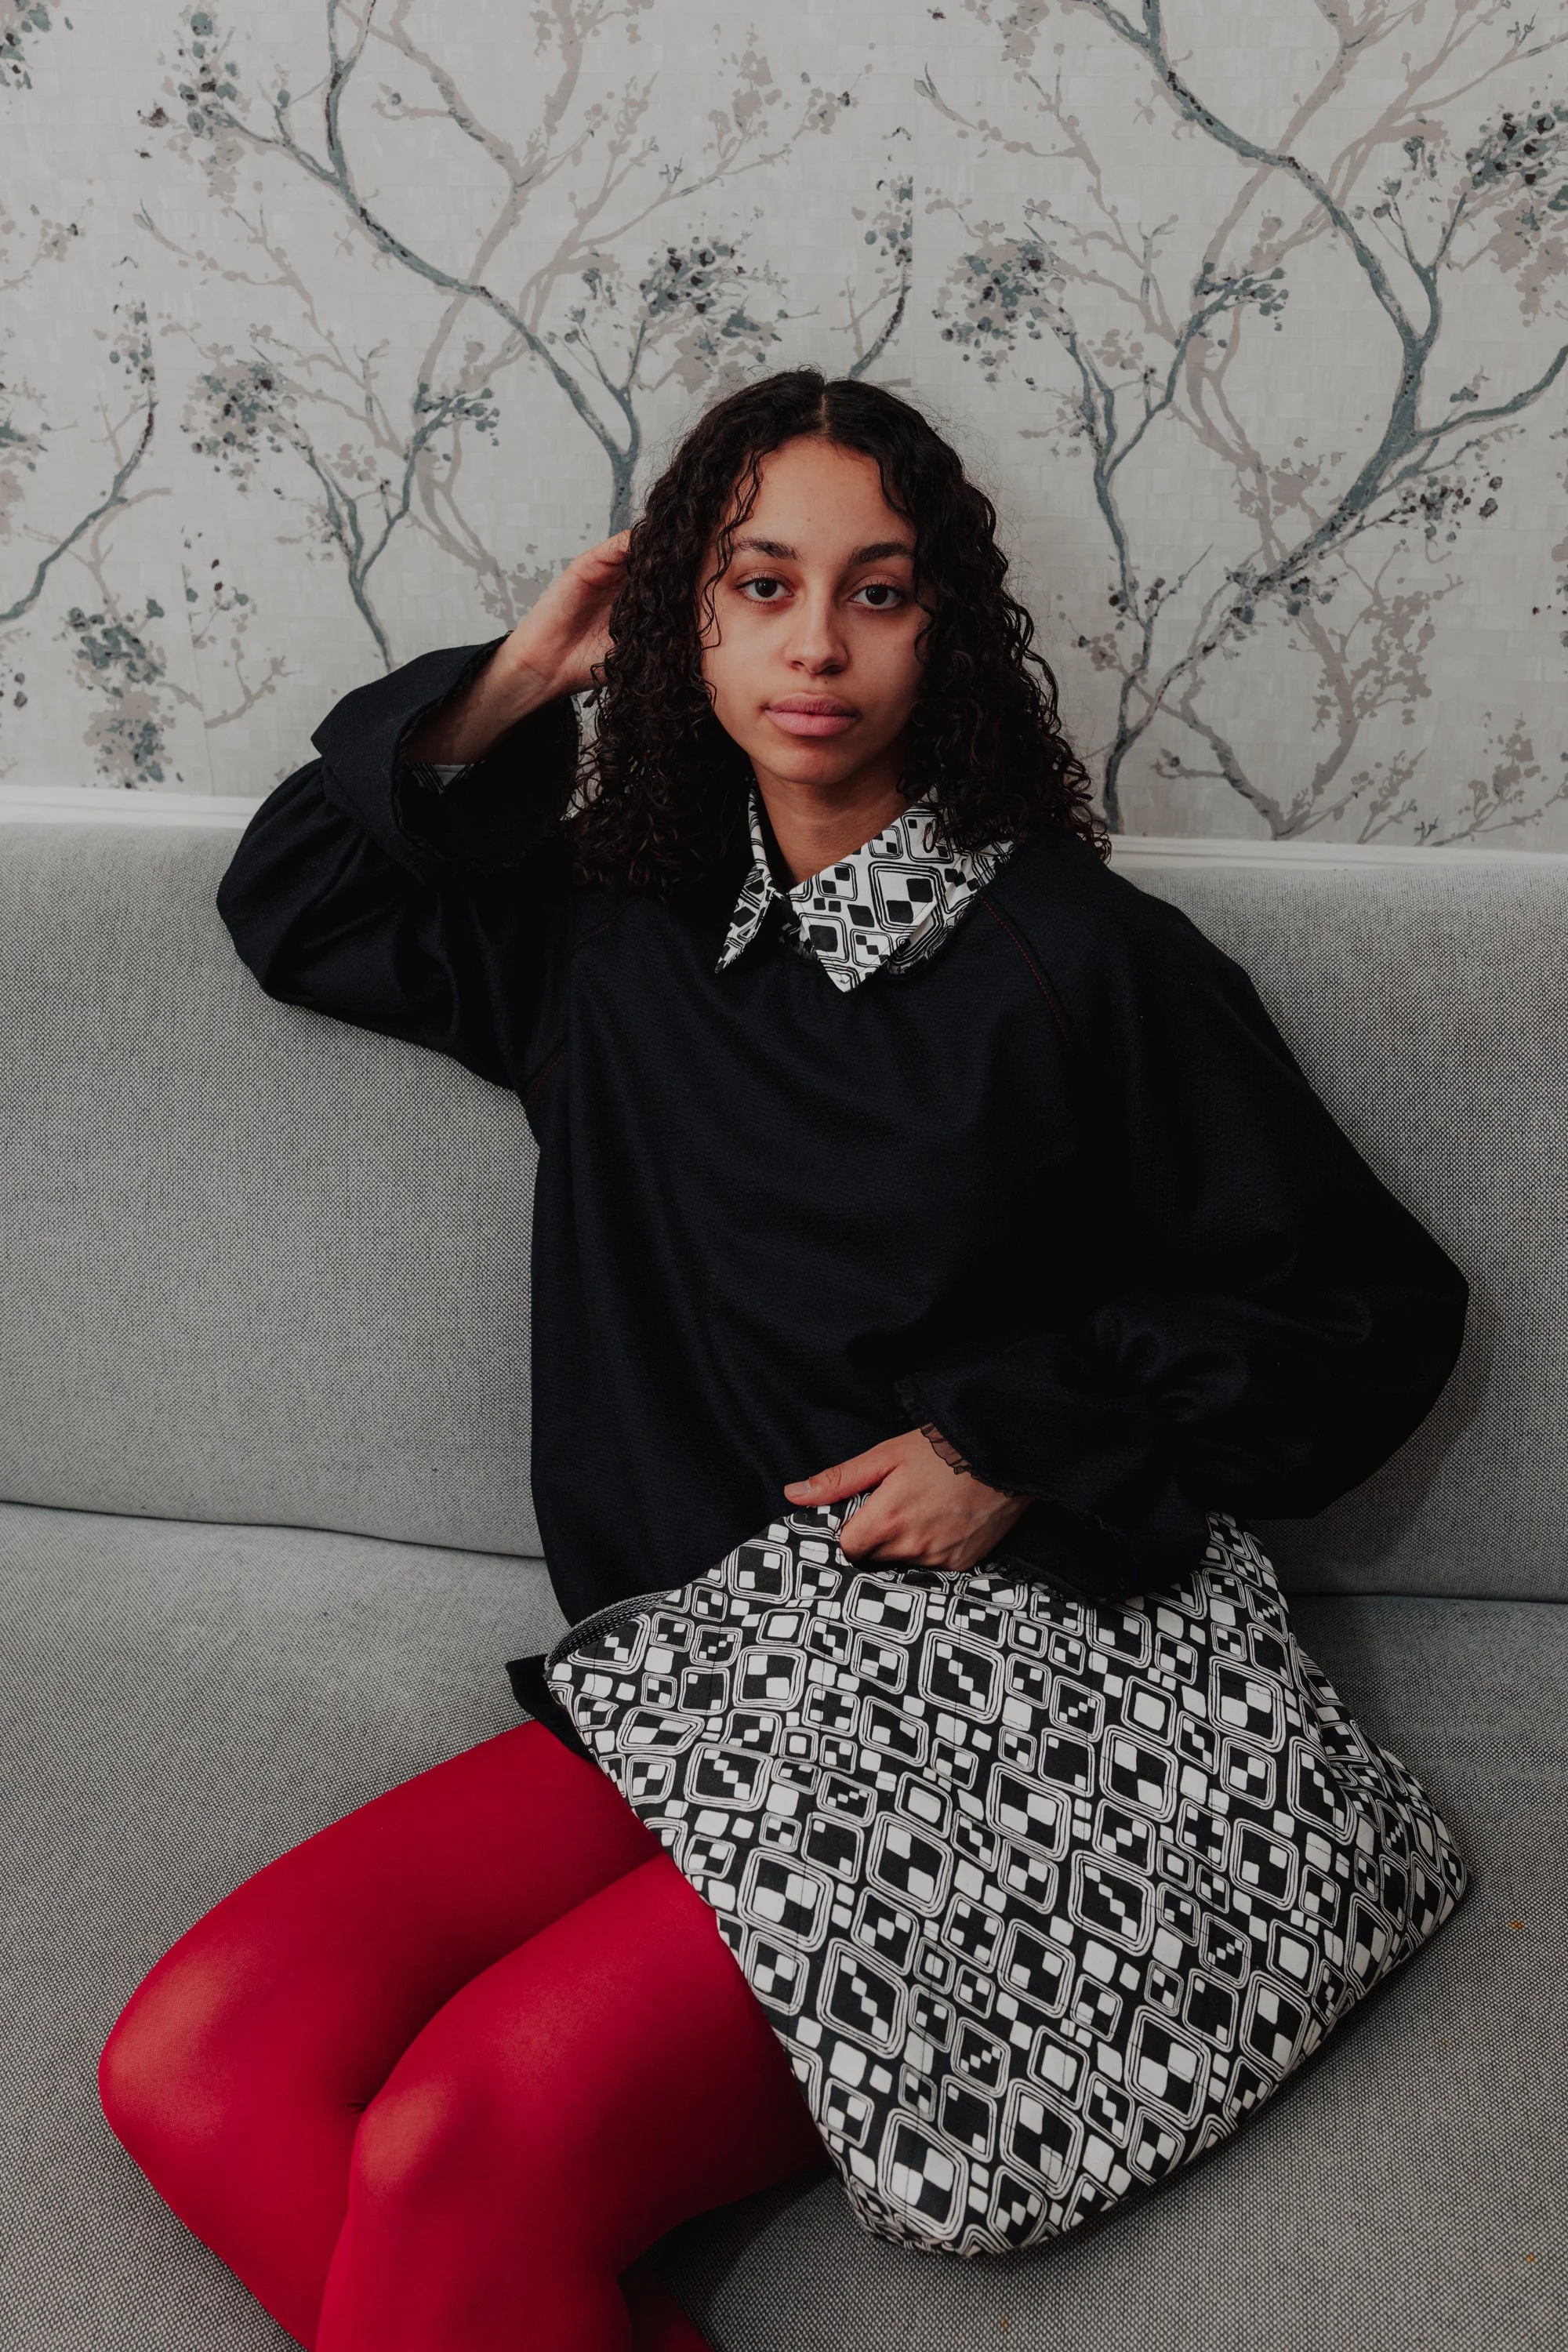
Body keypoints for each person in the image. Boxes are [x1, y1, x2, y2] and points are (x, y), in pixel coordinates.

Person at [96, 369, 1469, 2351]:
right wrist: (519, 679)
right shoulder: (608, 931)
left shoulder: (1080, 958)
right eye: (757, 586)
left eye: (875, 591)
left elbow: (1362, 1306)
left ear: (943, 631)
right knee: (189, 2064)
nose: (815, 643)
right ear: (689, 619)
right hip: (695, 1673)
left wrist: (1007, 1438)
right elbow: (295, 902)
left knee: (447, 2150)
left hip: (1013, 1685)